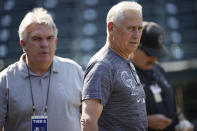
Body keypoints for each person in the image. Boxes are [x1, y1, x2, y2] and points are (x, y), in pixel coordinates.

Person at [0, 8, 83, 131]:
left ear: (56, 41)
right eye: (37, 39)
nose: (44, 44)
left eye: (49, 38)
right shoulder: (5, 79)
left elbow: (90, 118)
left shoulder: (74, 71)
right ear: (23, 44)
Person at [81, 1, 147, 131]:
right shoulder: (103, 65)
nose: (137, 35)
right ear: (111, 28)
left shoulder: (124, 58)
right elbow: (88, 120)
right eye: (131, 28)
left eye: (139, 29)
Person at [132, 21, 194, 131]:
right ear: (134, 46)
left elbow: (172, 103)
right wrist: (147, 121)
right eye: (149, 53)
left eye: (157, 53)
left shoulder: (157, 68)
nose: (154, 58)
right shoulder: (122, 75)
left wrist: (182, 120)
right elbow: (110, 118)